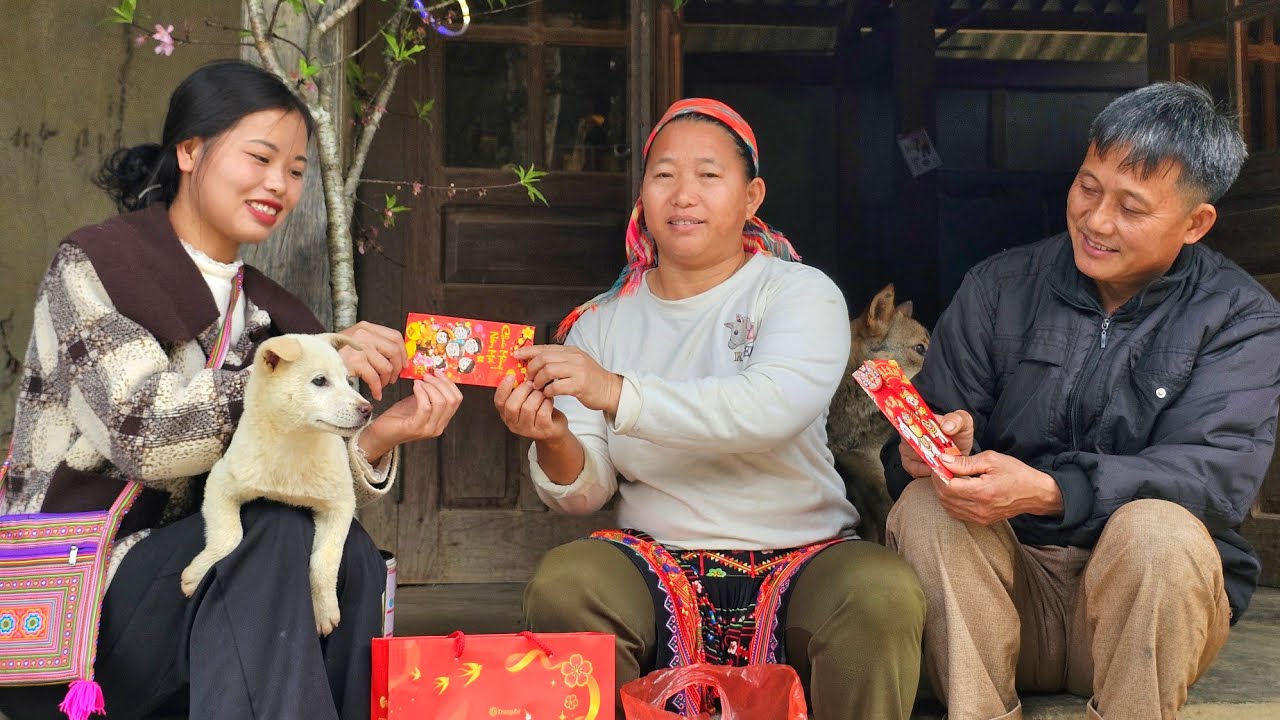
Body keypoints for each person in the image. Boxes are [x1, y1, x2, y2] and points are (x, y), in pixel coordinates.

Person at [0, 60, 463, 720]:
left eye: (296, 171)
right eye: (261, 158)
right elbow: (144, 435)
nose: (279, 184)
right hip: (88, 603)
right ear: (190, 151)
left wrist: (381, 434)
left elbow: (289, 469)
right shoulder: (96, 264)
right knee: (270, 531)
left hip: (217, 609)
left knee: (348, 554)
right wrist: (293, 381)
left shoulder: (276, 315)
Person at [495, 98, 925, 720]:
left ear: (751, 198)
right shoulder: (598, 325)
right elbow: (582, 492)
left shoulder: (800, 293)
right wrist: (553, 437)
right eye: (664, 176)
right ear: (642, 197)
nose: (683, 195)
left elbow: (769, 406)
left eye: (708, 175)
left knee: (881, 594)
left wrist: (615, 391)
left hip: (803, 554)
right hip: (657, 556)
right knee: (568, 583)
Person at [882, 81, 1280, 720]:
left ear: (1195, 223)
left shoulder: (1241, 319)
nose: (1096, 221)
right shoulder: (998, 287)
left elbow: (1218, 478)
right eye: (1089, 188)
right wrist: (934, 449)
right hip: (1005, 600)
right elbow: (913, 449)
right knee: (926, 506)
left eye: (1132, 207)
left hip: (1139, 617)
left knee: (1160, 531)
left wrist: (1056, 490)